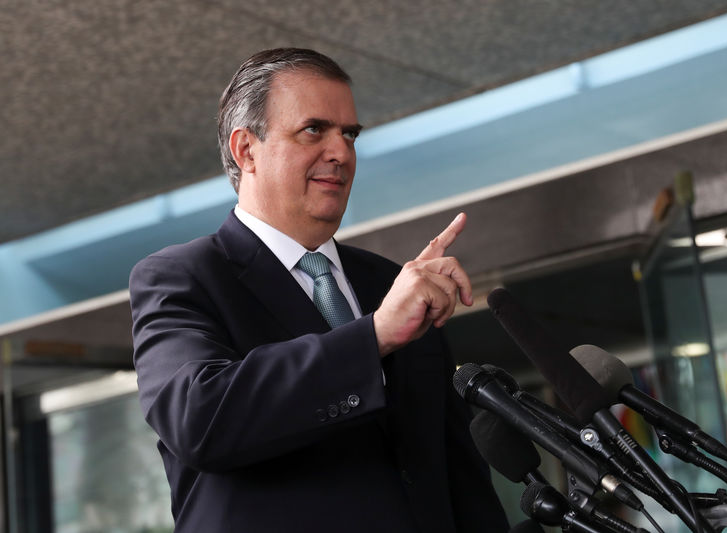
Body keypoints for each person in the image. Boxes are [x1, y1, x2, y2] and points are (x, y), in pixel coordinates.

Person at [130, 47, 510, 533]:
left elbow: (460, 481)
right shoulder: (181, 276)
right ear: (246, 149)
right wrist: (373, 337)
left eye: (349, 134)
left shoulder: (393, 283)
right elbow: (200, 420)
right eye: (314, 130)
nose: (341, 152)